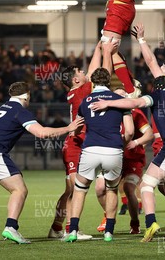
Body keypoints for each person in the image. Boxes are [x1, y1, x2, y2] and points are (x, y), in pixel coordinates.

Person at [92, 23, 165, 241]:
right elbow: (152, 64)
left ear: (164, 75)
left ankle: (151, 223)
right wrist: (139, 40)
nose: (156, 68)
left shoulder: (159, 92)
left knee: (147, 186)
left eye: (161, 68)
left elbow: (138, 95)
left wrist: (109, 102)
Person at [0, 82, 84, 245]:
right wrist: (68, 128)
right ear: (26, 95)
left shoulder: (3, 107)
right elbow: (42, 133)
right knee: (19, 190)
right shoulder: (19, 111)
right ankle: (11, 227)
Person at [47, 41, 115, 239]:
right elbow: (101, 72)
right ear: (76, 79)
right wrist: (105, 52)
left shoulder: (78, 90)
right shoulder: (82, 90)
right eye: (81, 71)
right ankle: (69, 229)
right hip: (75, 145)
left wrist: (97, 49)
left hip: (78, 144)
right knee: (75, 188)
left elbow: (94, 69)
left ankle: (57, 228)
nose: (86, 71)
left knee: (70, 189)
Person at [63, 68, 134, 243]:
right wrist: (121, 145)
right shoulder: (120, 100)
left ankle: (72, 230)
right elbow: (130, 132)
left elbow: (77, 128)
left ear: (93, 83)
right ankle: (109, 232)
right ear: (109, 82)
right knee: (111, 189)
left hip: (90, 150)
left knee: (79, 190)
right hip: (113, 150)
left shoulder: (85, 100)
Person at [96, 88, 153, 235]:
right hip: (113, 157)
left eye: (123, 95)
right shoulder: (107, 114)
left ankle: (135, 224)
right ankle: (107, 216)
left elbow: (149, 134)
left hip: (133, 159)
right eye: (117, 95)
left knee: (128, 188)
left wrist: (136, 142)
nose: (120, 98)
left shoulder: (135, 113)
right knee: (100, 188)